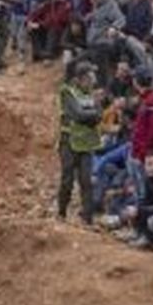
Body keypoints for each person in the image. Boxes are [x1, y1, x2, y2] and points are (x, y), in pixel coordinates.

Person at [56, 61, 102, 223]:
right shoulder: (67, 92)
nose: (93, 80)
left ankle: (87, 217)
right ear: (79, 79)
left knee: (86, 180)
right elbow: (77, 114)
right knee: (67, 179)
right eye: (89, 77)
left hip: (87, 144)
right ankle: (61, 212)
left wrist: (92, 112)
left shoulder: (92, 95)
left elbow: (98, 117)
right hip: (68, 142)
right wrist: (93, 112)